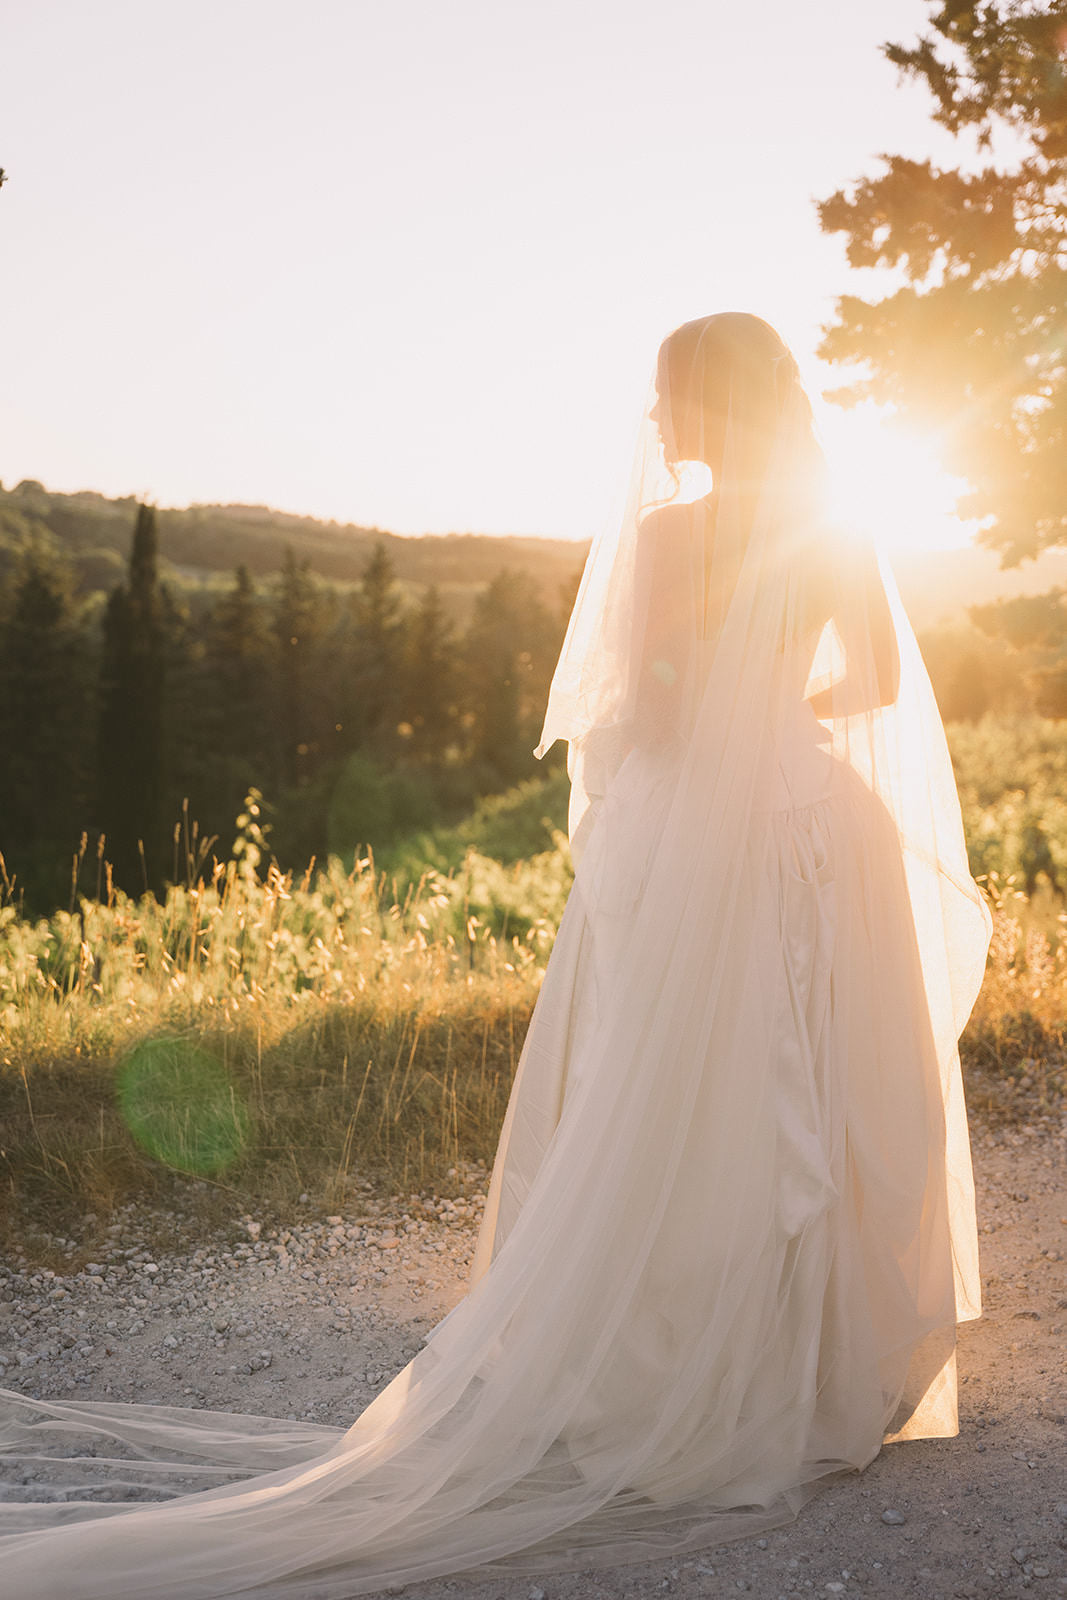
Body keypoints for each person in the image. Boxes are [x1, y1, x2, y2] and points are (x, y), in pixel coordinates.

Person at [0, 313, 991, 1599]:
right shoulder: (836, 525)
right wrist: (771, 714)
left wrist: (687, 721)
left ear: (703, 402)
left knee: (684, 1098)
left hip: (712, 845)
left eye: (663, 397)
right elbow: (864, 688)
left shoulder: (666, 533)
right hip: (819, 827)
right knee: (827, 1082)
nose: (651, 421)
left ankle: (689, 1367)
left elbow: (653, 707)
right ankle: (820, 1373)